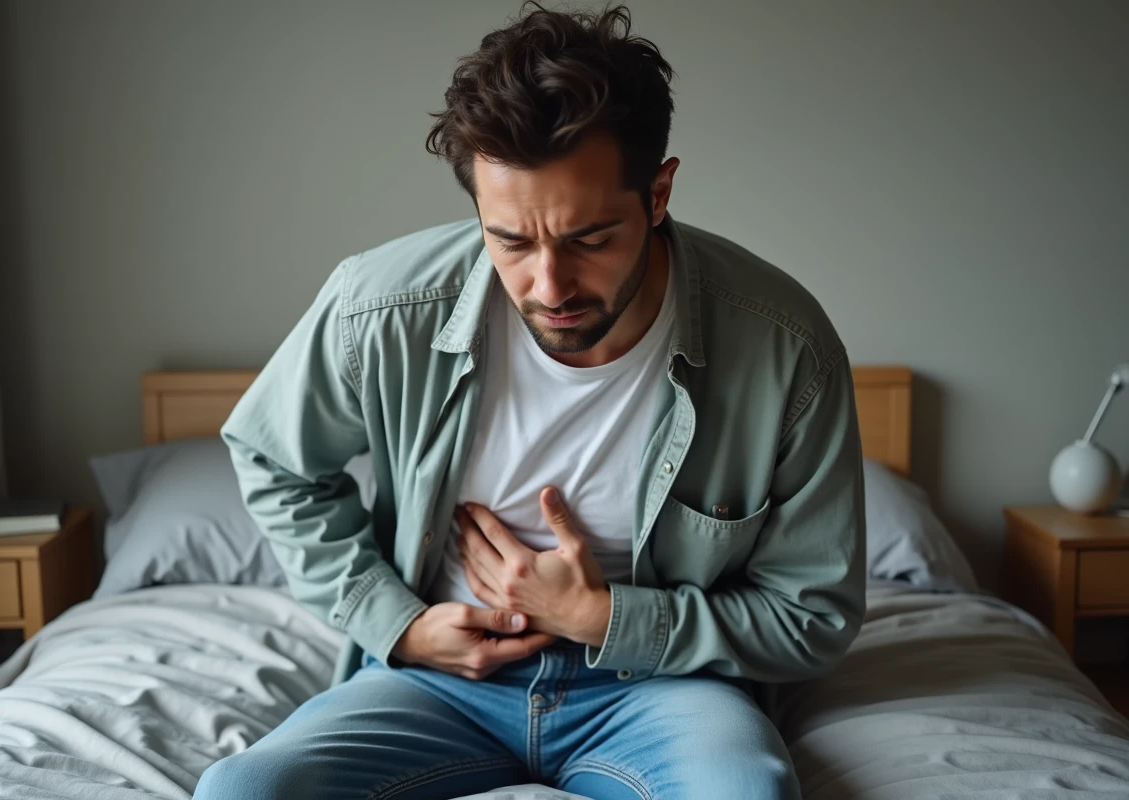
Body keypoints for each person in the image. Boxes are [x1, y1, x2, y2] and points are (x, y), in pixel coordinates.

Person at [194, 4, 865, 799]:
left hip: (664, 687)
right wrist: (397, 624)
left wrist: (608, 618)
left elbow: (811, 616)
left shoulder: (784, 347)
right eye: (510, 240)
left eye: (588, 239)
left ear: (658, 193)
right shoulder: (380, 309)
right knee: (241, 791)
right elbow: (274, 459)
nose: (548, 288)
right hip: (438, 680)